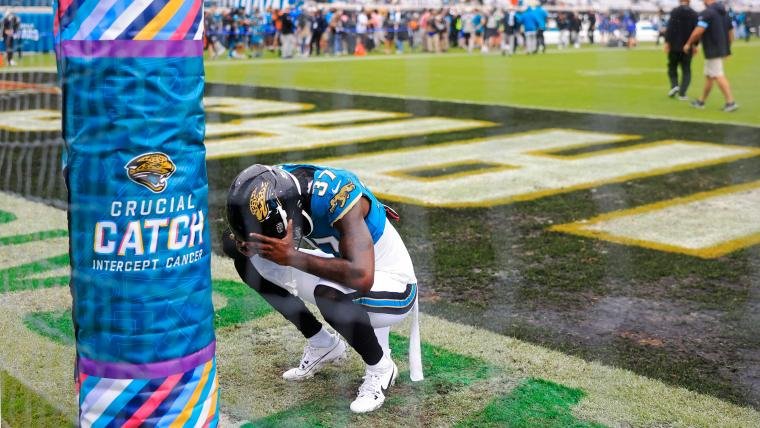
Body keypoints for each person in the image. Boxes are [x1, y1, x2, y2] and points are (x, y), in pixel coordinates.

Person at [223, 164, 423, 413]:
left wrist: (292, 257)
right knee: (248, 260)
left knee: (329, 294)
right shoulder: (276, 187)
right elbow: (235, 237)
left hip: (394, 284)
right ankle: (323, 344)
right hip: (346, 267)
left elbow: (362, 277)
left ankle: (381, 368)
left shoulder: (337, 195)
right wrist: (244, 243)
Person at [684, 0, 737, 111]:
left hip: (713, 49)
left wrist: (689, 43)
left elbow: (698, 31)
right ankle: (701, 101)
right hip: (720, 49)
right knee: (709, 76)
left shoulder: (707, 13)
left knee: (718, 75)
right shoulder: (725, 13)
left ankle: (730, 102)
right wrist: (727, 49)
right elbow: (731, 33)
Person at [665, 0, 698, 100]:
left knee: (672, 66)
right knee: (686, 70)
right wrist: (695, 45)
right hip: (688, 46)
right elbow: (696, 30)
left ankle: (674, 85)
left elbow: (670, 28)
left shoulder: (674, 11)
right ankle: (682, 93)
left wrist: (667, 42)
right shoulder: (693, 13)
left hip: (674, 45)